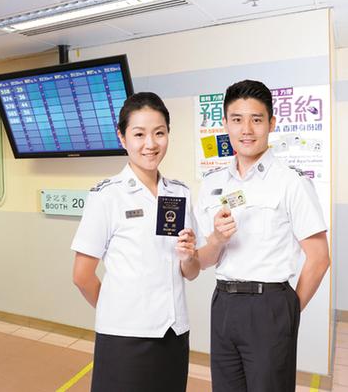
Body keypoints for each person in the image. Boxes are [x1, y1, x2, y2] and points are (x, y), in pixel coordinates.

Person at [195, 80, 330, 392]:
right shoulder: (212, 184)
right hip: (223, 303)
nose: (246, 130)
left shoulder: (291, 182)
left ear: (271, 123)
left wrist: (287, 313)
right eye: (237, 119)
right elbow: (203, 260)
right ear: (225, 124)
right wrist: (216, 239)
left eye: (256, 119)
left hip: (269, 305)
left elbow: (319, 258)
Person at [71, 92, 200, 392]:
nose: (150, 144)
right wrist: (119, 311)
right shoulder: (107, 196)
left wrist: (188, 257)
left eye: (159, 133)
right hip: (124, 338)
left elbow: (191, 272)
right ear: (122, 137)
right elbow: (81, 276)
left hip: (173, 333)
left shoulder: (179, 193)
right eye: (139, 134)